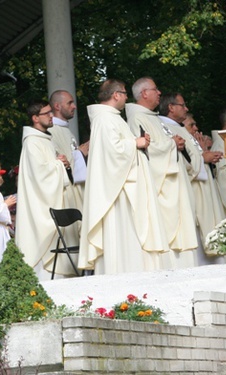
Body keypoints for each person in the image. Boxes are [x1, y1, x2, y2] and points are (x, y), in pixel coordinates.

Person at [79, 79, 168, 274]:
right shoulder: (104, 119)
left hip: (125, 185)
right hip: (119, 191)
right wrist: (136, 143)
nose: (127, 98)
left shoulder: (112, 118)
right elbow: (112, 153)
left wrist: (137, 143)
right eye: (125, 93)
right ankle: (125, 270)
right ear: (116, 95)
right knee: (123, 232)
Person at [126, 78, 197, 266]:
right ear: (144, 94)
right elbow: (145, 151)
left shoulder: (152, 117)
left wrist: (176, 144)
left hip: (173, 179)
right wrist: (172, 143)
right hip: (161, 184)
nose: (159, 93)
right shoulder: (137, 118)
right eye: (155, 89)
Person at [159, 93, 226, 265]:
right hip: (194, 190)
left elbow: (192, 155)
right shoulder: (166, 128)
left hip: (203, 188)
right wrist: (202, 157)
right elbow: (183, 160)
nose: (186, 108)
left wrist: (203, 154)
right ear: (171, 107)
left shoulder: (179, 128)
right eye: (183, 105)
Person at [15, 100, 74, 280]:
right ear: (35, 118)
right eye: (47, 113)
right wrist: (58, 164)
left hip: (51, 198)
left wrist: (63, 164)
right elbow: (41, 176)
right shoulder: (32, 143)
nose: (51, 116)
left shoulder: (45, 139)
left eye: (51, 112)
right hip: (39, 203)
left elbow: (51, 169)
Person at [49, 90, 88, 212]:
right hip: (65, 193)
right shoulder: (51, 131)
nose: (74, 106)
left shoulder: (67, 130)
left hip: (75, 189)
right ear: (57, 106)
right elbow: (57, 162)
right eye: (69, 103)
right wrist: (80, 153)